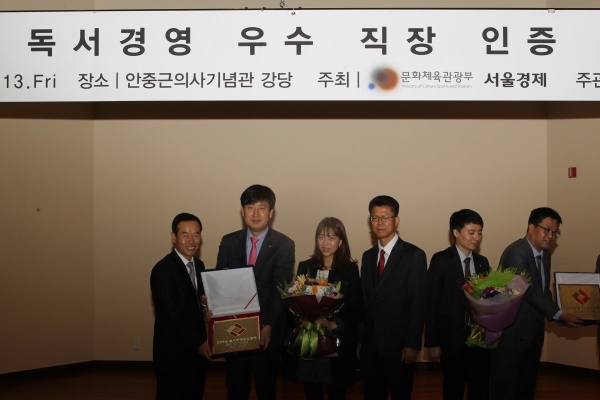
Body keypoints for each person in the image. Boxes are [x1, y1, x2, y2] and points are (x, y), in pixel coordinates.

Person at [490, 207, 583, 400]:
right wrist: (560, 314)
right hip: (513, 335)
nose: (551, 236)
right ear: (531, 227)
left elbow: (543, 292)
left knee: (526, 386)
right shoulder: (517, 253)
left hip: (532, 334)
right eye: (546, 229)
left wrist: (558, 315)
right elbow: (529, 292)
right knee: (507, 389)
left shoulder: (544, 254)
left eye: (555, 232)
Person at [216, 184, 295, 400]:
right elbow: (220, 284)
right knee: (236, 388)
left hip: (266, 331)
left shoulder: (284, 245)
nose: (256, 214)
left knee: (266, 389)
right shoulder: (229, 241)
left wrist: (268, 325)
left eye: (262, 208)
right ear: (243, 212)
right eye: (250, 207)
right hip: (234, 329)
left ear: (271, 212)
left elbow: (280, 289)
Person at [359, 195, 428, 400]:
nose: (379, 222)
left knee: (401, 394)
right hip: (371, 346)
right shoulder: (368, 256)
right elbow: (365, 301)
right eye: (374, 218)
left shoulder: (414, 255)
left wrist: (412, 343)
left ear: (396, 220)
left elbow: (418, 302)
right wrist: (361, 340)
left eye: (385, 217)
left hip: (399, 346)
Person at [294, 217, 364, 400]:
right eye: (321, 237)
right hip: (310, 339)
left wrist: (334, 324)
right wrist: (301, 319)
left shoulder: (349, 270)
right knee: (311, 391)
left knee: (336, 392)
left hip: (336, 340)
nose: (325, 243)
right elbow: (294, 303)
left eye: (331, 238)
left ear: (340, 242)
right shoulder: (305, 267)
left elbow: (357, 308)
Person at [425, 209, 491, 400]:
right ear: (456, 232)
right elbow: (432, 302)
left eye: (479, 232)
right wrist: (432, 342)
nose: (476, 237)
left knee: (480, 388)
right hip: (452, 340)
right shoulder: (441, 260)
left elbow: (489, 299)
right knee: (453, 388)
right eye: (471, 232)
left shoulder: (482, 262)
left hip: (479, 338)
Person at [150, 212, 212, 400]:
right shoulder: (162, 270)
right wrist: (199, 343)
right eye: (185, 235)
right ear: (173, 237)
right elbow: (173, 314)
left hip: (196, 355)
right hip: (172, 354)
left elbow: (196, 302)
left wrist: (206, 309)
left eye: (196, 234)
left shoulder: (199, 265)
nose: (191, 241)